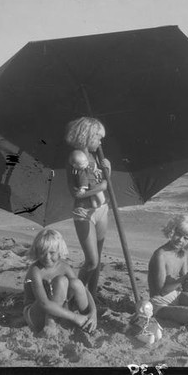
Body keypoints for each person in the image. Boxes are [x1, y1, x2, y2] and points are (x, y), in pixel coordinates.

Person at [65, 117, 111, 299]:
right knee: (91, 261)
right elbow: (75, 193)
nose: (100, 142)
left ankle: (90, 296)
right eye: (98, 138)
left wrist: (108, 169)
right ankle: (73, 296)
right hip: (84, 213)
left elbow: (105, 183)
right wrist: (101, 187)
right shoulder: (75, 159)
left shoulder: (96, 157)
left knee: (98, 261)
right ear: (87, 136)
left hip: (102, 210)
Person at [23, 228, 97, 334]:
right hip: (36, 315)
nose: (47, 257)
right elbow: (44, 304)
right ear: (36, 251)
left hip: (59, 310)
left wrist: (93, 312)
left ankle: (87, 319)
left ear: (59, 251)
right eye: (42, 253)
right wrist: (75, 317)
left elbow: (83, 289)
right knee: (61, 281)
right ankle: (50, 326)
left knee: (76, 283)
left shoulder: (64, 266)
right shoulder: (35, 271)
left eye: (52, 253)